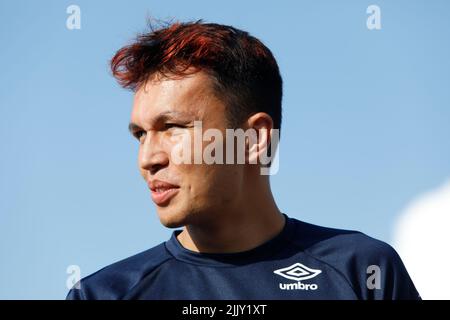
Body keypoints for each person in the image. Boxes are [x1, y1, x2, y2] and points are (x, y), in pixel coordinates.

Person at [66, 21, 420, 300]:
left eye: (172, 127)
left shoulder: (363, 271)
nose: (148, 158)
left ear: (254, 138)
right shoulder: (103, 293)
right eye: (140, 134)